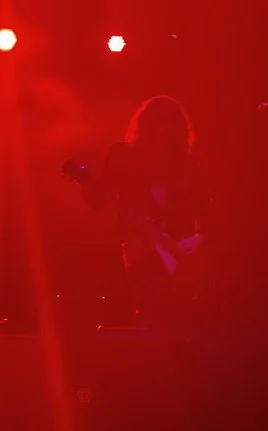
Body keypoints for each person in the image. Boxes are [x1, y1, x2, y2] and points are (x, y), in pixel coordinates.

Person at [80, 95, 208, 329]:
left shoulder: (188, 164)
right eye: (159, 122)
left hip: (179, 253)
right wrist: (88, 185)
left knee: (179, 318)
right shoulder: (123, 156)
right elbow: (98, 201)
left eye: (171, 123)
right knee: (150, 312)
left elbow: (204, 208)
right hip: (139, 249)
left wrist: (195, 243)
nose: (165, 131)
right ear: (147, 126)